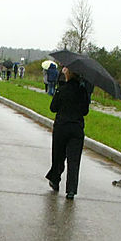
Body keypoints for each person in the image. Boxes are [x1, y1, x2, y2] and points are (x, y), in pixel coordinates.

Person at [45, 67, 92, 200]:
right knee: (74, 160)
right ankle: (71, 190)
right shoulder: (83, 91)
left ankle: (55, 179)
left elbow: (53, 108)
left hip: (61, 127)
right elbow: (85, 111)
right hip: (76, 128)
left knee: (58, 156)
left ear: (69, 74)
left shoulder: (62, 89)